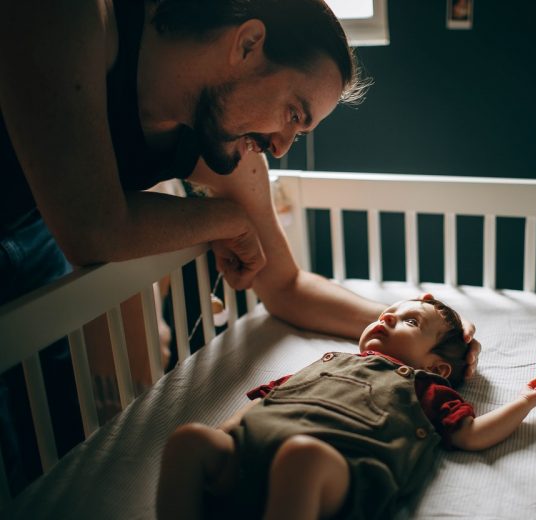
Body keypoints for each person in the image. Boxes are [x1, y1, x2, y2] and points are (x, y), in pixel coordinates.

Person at [0, 0, 479, 491]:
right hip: (46, 224)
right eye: (292, 113)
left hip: (34, 232)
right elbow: (92, 228)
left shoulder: (221, 139)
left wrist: (413, 331)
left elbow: (286, 284)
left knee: (45, 447)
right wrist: (222, 218)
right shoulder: (70, 17)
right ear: (248, 44)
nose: (281, 146)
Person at [156, 297, 536, 519]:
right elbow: (270, 400)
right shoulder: (329, 360)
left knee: (302, 457)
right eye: (388, 312)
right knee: (189, 439)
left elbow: (471, 435)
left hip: (334, 474)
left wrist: (528, 401)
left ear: (437, 366)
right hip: (248, 457)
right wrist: (227, 434)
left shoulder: (424, 386)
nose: (387, 317)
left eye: (409, 322)